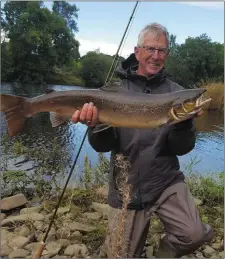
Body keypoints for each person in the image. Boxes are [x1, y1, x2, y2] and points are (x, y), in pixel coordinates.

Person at [71, 23, 214, 258]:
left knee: (195, 234)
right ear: (137, 52)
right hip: (127, 185)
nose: (156, 56)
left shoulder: (176, 93)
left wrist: (184, 122)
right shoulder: (114, 89)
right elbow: (102, 146)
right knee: (121, 254)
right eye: (150, 49)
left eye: (162, 51)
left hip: (165, 181)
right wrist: (95, 125)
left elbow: (182, 148)